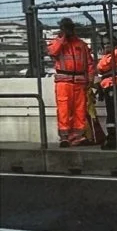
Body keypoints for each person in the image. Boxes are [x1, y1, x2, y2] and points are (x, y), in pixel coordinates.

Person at [47, 18, 93, 147]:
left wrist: (90, 78)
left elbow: (89, 63)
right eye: (65, 27)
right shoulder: (56, 43)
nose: (68, 30)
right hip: (63, 81)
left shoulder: (81, 45)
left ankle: (77, 137)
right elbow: (52, 52)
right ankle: (65, 138)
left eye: (69, 27)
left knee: (80, 111)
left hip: (79, 82)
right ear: (61, 29)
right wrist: (62, 39)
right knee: (64, 110)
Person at [95, 38, 117, 145]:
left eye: (108, 43)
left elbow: (103, 66)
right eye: (104, 44)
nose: (106, 46)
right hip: (109, 85)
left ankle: (114, 137)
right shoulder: (109, 54)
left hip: (115, 85)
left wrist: (101, 64)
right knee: (114, 112)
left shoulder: (116, 53)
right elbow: (99, 68)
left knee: (113, 113)